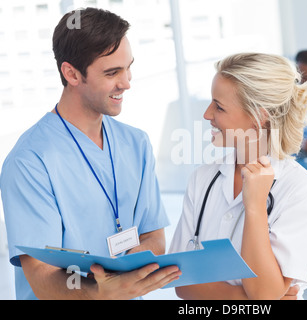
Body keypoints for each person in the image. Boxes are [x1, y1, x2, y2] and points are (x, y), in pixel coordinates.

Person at [0, 8, 181, 300]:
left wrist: (125, 271)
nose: (126, 83)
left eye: (128, 67)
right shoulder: (30, 162)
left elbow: (153, 236)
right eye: (112, 73)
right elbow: (43, 279)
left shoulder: (136, 143)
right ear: (71, 73)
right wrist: (102, 291)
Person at [169, 53, 307, 300]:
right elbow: (181, 282)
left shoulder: (301, 189)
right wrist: (246, 297)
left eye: (219, 106)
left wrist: (254, 208)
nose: (207, 114)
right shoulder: (202, 179)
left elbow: (264, 294)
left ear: (259, 117)